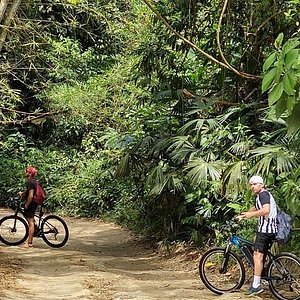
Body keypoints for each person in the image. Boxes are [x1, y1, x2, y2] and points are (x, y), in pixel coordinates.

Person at [237, 175, 277, 296]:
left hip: (266, 230)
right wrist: (243, 215)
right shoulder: (261, 196)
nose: (252, 187)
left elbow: (266, 210)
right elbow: (256, 207)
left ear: (261, 184)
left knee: (257, 256)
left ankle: (256, 286)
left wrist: (250, 215)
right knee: (259, 254)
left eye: (254, 184)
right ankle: (261, 278)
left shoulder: (263, 195)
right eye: (251, 185)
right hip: (265, 230)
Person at [18, 166, 39, 248]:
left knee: (30, 222)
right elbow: (29, 191)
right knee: (31, 220)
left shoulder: (30, 182)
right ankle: (35, 229)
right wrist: (22, 193)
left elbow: (31, 195)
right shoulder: (33, 181)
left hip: (32, 203)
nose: (25, 172)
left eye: (26, 171)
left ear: (29, 173)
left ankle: (29, 243)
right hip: (35, 202)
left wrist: (26, 204)